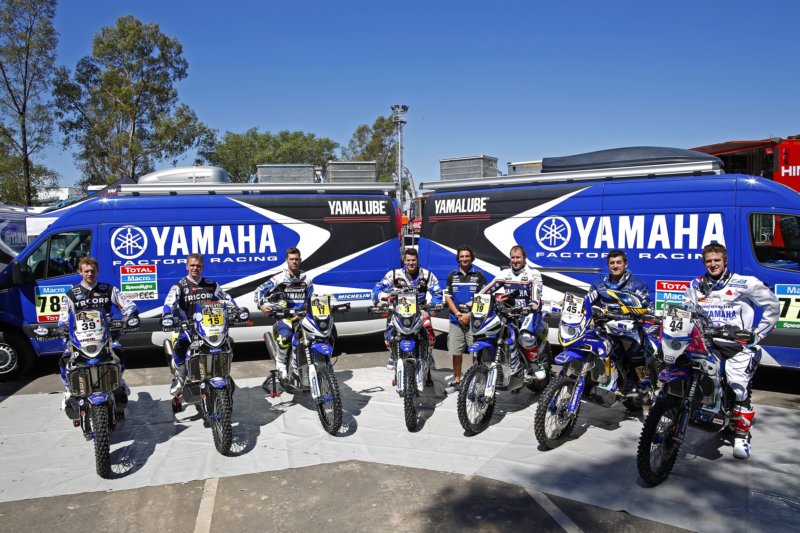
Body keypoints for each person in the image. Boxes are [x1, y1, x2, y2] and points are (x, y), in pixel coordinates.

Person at [684, 242, 779, 459]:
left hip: (739, 347)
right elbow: (686, 309)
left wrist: (759, 334)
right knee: (703, 381)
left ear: (725, 261)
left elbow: (772, 306)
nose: (713, 264)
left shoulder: (745, 283)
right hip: (710, 344)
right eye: (708, 261)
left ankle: (741, 436)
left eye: (717, 260)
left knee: (738, 387)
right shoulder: (696, 285)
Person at [58, 256, 138, 409]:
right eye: (86, 271)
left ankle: (118, 381)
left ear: (97, 271)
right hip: (79, 340)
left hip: (106, 337)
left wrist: (131, 315)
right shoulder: (71, 294)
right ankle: (69, 390)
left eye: (92, 271)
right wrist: (61, 327)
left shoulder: (108, 289)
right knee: (65, 359)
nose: (89, 274)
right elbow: (63, 318)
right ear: (80, 272)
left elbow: (129, 305)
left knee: (118, 352)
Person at [162, 253, 237, 395]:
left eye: (198, 265)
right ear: (187, 266)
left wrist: (236, 310)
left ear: (202, 267)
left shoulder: (211, 285)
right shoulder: (180, 286)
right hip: (189, 328)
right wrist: (167, 315)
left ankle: (222, 372)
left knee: (228, 345)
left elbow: (227, 299)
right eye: (192, 265)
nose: (195, 268)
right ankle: (180, 377)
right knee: (180, 349)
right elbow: (169, 304)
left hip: (211, 328)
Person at [583, 250, 652, 393]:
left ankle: (644, 387)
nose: (615, 266)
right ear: (608, 266)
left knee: (636, 357)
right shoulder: (599, 285)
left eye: (618, 262)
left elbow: (647, 306)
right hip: (604, 328)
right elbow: (588, 301)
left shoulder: (637, 285)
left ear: (625, 264)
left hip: (629, 331)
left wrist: (640, 314)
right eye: (612, 263)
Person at [372, 247, 443, 370]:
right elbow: (376, 289)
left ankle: (429, 353)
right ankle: (393, 354)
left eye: (413, 260)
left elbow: (438, 293)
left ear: (417, 260)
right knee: (389, 335)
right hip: (399, 311)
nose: (411, 263)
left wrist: (429, 310)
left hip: (420, 311)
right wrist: (381, 299)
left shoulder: (427, 274)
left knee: (430, 335)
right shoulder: (394, 274)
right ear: (404, 261)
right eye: (408, 260)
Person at [480, 245, 543, 376]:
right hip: (510, 313)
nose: (515, 260)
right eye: (513, 257)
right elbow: (487, 290)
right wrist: (473, 301)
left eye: (518, 257)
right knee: (491, 330)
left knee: (526, 337)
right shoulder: (505, 274)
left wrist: (533, 304)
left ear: (524, 258)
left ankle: (534, 363)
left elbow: (536, 295)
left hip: (529, 313)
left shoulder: (533, 274)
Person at [255, 247, 313, 380]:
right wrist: (262, 305)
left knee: (314, 338)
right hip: (284, 316)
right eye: (291, 259)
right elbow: (259, 291)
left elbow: (310, 299)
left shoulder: (307, 279)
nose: (294, 262)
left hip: (302, 317)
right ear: (286, 261)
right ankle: (280, 362)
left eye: (296, 259)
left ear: (300, 260)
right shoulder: (279, 278)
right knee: (286, 337)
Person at [443, 245, 487, 393]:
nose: (464, 259)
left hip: (473, 321)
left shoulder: (479, 276)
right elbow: (448, 297)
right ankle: (457, 381)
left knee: (476, 353)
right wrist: (458, 314)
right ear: (458, 258)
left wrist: (469, 315)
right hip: (456, 320)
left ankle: (476, 382)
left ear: (471, 257)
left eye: (467, 256)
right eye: (461, 256)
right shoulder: (452, 275)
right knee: (456, 352)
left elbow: (483, 299)